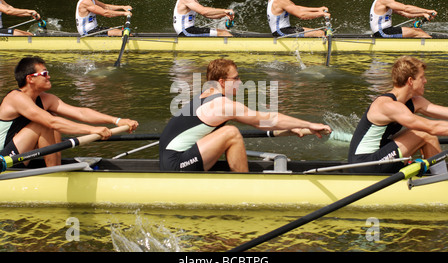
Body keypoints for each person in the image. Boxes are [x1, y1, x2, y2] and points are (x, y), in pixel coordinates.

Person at [159, 58, 332, 172]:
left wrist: (294, 128)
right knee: (231, 133)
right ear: (221, 82)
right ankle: (245, 183)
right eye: (236, 78)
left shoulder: (205, 95)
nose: (240, 82)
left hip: (176, 159)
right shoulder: (220, 104)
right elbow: (264, 120)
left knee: (229, 133)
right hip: (176, 165)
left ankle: (239, 177)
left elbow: (263, 123)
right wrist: (310, 124)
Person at [0, 56, 139, 167]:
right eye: (44, 73)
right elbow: (51, 122)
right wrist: (92, 130)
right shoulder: (16, 97)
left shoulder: (46, 99)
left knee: (52, 118)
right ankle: (54, 175)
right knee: (46, 123)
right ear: (30, 78)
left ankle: (56, 167)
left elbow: (81, 113)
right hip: (4, 159)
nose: (49, 76)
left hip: (20, 154)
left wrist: (117, 121)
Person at [348, 56, 448, 174]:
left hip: (380, 156)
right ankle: (441, 181)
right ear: (410, 81)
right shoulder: (387, 105)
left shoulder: (415, 102)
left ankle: (438, 174)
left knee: (425, 136)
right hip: (364, 163)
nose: (425, 81)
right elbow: (433, 127)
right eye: (422, 77)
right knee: (424, 133)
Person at [370, 0, 436, 38]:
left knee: (418, 30)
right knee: (419, 33)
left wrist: (423, 14)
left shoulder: (382, 1)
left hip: (384, 31)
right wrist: (427, 11)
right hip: (383, 32)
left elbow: (405, 13)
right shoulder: (384, 0)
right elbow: (406, 8)